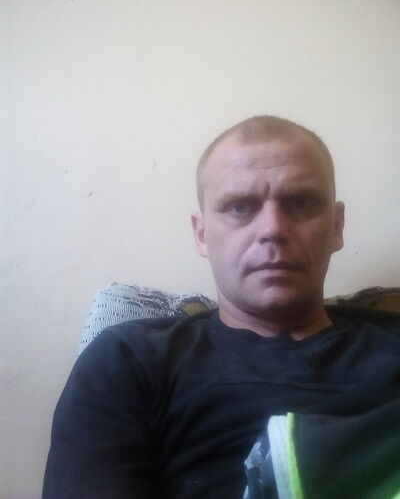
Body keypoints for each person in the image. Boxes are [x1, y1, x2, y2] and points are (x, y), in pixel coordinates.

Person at [42, 116, 400, 499]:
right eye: (240, 207)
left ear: (337, 226)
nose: (273, 229)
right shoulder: (127, 358)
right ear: (202, 234)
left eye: (300, 202)